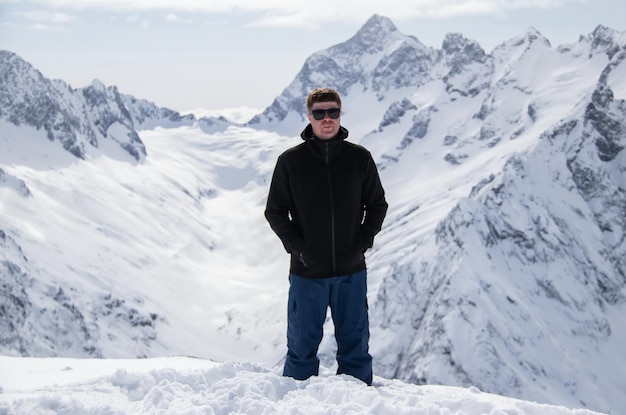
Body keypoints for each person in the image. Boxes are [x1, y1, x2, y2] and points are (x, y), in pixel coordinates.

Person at [264, 87, 388, 385]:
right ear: (309, 117)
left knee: (355, 350)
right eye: (320, 113)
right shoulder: (291, 161)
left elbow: (377, 205)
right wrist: (299, 248)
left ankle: (356, 405)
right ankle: (298, 405)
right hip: (307, 273)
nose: (327, 118)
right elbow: (275, 211)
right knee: (301, 352)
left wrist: (361, 243)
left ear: (340, 114)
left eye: (333, 111)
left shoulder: (359, 158)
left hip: (351, 272)